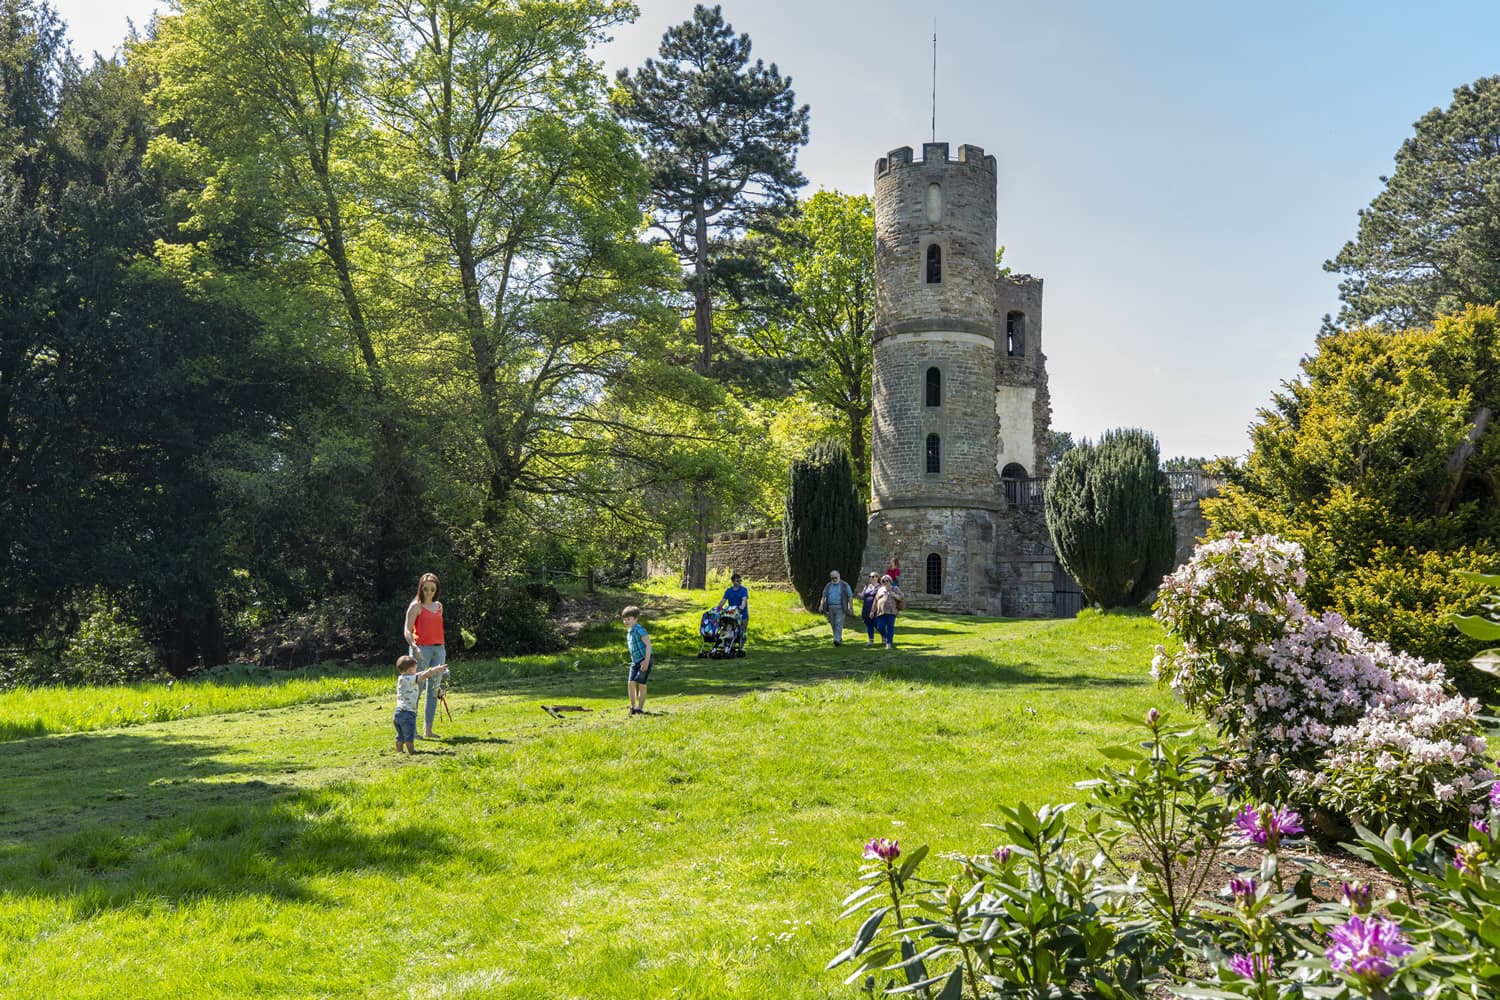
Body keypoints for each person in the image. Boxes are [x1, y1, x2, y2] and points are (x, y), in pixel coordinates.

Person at [403, 572, 447, 740]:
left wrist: (441, 648)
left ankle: (428, 729)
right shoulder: (416, 606)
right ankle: (412, 731)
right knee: (417, 689)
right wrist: (413, 646)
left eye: (432, 589)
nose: (429, 592)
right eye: (426, 589)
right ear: (421, 588)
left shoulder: (438, 606)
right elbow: (407, 630)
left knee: (434, 689)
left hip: (439, 650)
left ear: (436, 590)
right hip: (421, 650)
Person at [393, 654, 448, 754]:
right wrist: (437, 669)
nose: (416, 671)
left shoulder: (401, 678)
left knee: (400, 735)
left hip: (398, 713)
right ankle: (412, 751)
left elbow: (421, 673)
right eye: (414, 669)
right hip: (408, 713)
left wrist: (432, 670)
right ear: (409, 670)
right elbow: (424, 675)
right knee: (409, 735)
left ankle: (400, 751)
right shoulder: (410, 679)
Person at [623, 605, 653, 715]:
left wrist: (646, 661)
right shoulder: (629, 632)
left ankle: (639, 708)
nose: (626, 621)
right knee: (631, 683)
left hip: (645, 659)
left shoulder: (639, 630)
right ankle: (633, 707)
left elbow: (648, 645)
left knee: (641, 683)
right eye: (625, 619)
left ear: (636, 619)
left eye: (629, 619)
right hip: (635, 662)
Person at [817, 570, 854, 646]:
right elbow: (823, 596)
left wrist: (851, 607)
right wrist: (821, 605)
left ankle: (836, 639)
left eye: (835, 577)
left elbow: (850, 596)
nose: (834, 579)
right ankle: (838, 638)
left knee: (838, 623)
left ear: (839, 576)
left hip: (841, 607)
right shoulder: (828, 585)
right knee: (833, 624)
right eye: (832, 578)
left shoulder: (844, 585)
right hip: (831, 607)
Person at [715, 572, 749, 650]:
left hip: (742, 613)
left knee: (742, 631)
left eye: (740, 581)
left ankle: (740, 647)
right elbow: (723, 600)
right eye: (737, 581)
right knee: (730, 629)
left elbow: (744, 600)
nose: (739, 582)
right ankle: (729, 646)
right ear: (733, 582)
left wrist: (741, 608)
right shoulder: (728, 591)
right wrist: (718, 608)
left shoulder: (744, 590)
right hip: (731, 614)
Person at [873, 573, 904, 649]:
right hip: (881, 611)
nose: (884, 582)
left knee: (890, 627)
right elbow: (876, 600)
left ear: (890, 581)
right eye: (883, 581)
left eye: (886, 581)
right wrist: (872, 610)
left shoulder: (895, 588)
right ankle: (886, 637)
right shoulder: (880, 589)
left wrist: (894, 595)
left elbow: (901, 597)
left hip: (891, 611)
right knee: (880, 627)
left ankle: (889, 643)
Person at [858, 571, 881, 646]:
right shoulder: (867, 586)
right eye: (870, 577)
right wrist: (860, 595)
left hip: (875, 608)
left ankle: (884, 636)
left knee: (877, 625)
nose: (871, 578)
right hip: (866, 608)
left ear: (877, 578)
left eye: (873, 576)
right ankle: (871, 641)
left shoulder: (880, 587)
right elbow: (863, 596)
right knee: (868, 625)